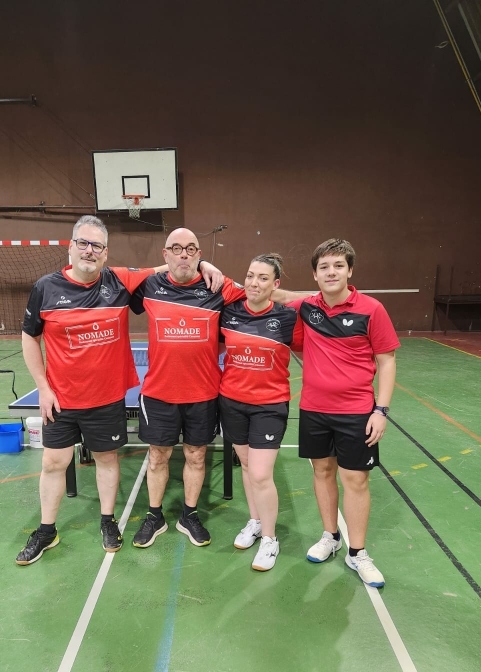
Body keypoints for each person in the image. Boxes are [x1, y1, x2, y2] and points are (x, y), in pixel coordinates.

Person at [17, 215, 222, 566]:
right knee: (53, 463)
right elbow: (28, 338)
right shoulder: (45, 288)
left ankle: (108, 521)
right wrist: (43, 388)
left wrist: (202, 263)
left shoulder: (119, 281)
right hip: (61, 398)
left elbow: (170, 265)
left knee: (107, 460)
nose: (89, 250)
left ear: (106, 252)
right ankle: (46, 530)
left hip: (107, 396)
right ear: (71, 246)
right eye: (83, 243)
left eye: (97, 245)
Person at [278, 238, 399, 587]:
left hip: (357, 411)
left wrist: (381, 410)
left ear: (350, 271)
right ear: (315, 275)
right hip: (314, 409)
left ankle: (357, 552)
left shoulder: (371, 309)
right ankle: (330, 536)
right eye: (324, 267)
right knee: (322, 471)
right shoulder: (307, 307)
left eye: (338, 266)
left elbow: (387, 361)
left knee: (356, 480)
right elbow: (274, 293)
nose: (331, 272)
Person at [129, 228, 246, 549]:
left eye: (191, 249)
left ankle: (189, 515)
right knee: (157, 457)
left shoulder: (217, 287)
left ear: (199, 254)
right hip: (158, 393)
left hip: (203, 393)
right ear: (165, 254)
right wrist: (198, 263)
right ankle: (154, 516)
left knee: (196, 456)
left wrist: (207, 267)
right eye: (177, 248)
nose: (184, 254)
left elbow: (257, 293)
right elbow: (111, 279)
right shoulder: (150, 286)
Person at [219, 253, 302, 571]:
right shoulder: (229, 312)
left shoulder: (288, 318)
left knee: (261, 474)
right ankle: (255, 522)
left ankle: (270, 539)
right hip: (232, 401)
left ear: (275, 284)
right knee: (245, 465)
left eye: (263, 278)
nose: (254, 282)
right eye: (250, 275)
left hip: (269, 404)